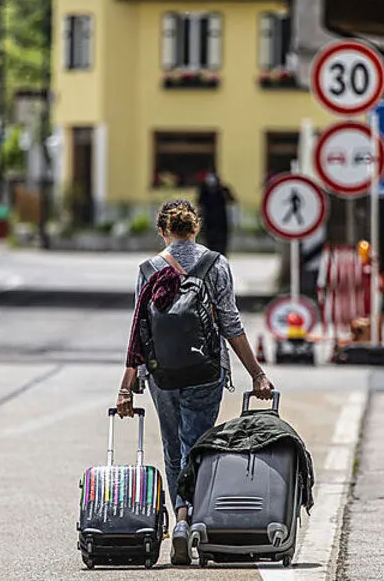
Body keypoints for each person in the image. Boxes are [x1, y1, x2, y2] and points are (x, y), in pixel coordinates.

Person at [116, 198, 274, 566]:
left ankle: (181, 520)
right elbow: (230, 324)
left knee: (173, 449)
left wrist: (127, 385)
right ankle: (195, 520)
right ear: (196, 228)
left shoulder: (149, 268)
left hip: (162, 374)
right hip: (207, 371)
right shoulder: (216, 265)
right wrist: (257, 373)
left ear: (162, 231)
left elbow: (139, 330)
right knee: (197, 445)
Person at [196, 172, 236, 255]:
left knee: (221, 244)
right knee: (209, 244)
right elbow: (200, 205)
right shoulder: (204, 191)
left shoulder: (222, 190)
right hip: (208, 223)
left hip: (221, 223)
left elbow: (232, 200)